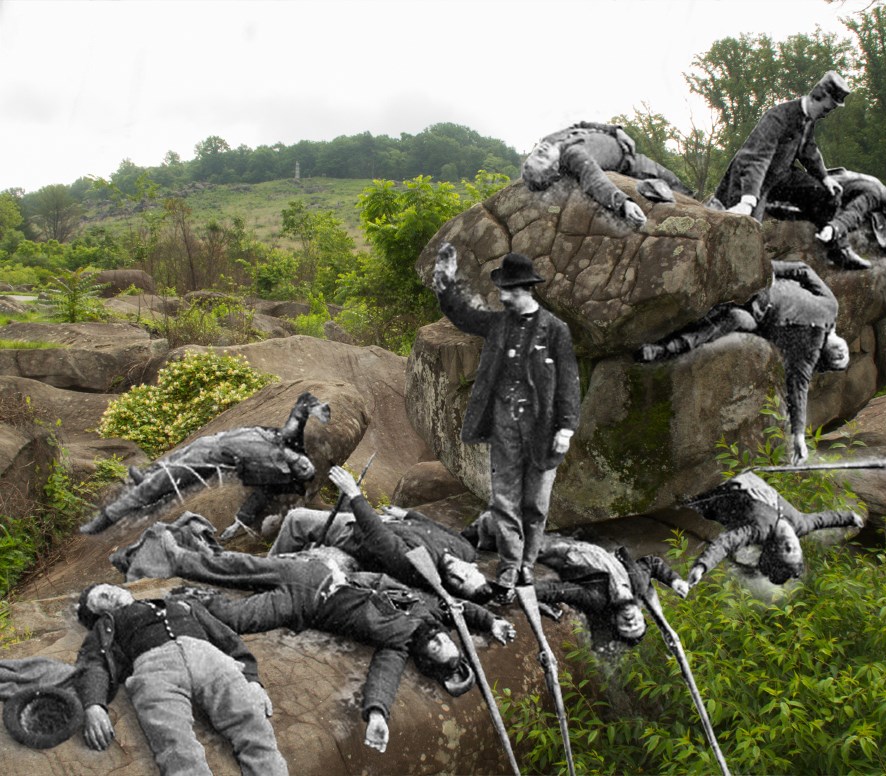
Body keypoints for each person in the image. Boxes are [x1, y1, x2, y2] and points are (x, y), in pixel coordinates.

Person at [123, 531, 515, 754]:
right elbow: (459, 608)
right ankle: (168, 551)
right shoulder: (428, 609)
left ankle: (188, 600)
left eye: (434, 651)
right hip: (316, 576)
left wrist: (377, 714)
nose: (438, 642)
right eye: (445, 642)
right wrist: (493, 620)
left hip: (303, 604)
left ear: (424, 657)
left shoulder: (398, 645)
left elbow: (384, 679)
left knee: (236, 618)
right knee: (237, 567)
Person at [434, 243, 581, 600]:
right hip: (503, 425)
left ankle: (529, 563)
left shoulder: (555, 330)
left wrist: (566, 428)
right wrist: (446, 282)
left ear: (526, 290)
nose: (502, 297)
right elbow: (464, 315)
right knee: (505, 499)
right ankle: (510, 564)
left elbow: (568, 380)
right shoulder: (497, 324)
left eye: (508, 291)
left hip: (543, 429)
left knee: (536, 503)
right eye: (501, 290)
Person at [635, 260, 849, 464]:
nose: (840, 355)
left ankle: (665, 349)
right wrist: (769, 270)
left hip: (752, 315)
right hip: (759, 284)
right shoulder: (831, 306)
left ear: (824, 360)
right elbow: (803, 270)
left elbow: (799, 390)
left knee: (733, 318)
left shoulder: (806, 354)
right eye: (844, 355)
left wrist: (798, 437)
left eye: (837, 362)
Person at [74, 583, 287, 776]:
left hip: (209, 658)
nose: (110, 592)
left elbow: (225, 637)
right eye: (102, 596)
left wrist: (252, 679)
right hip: (154, 670)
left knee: (253, 725)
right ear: (98, 614)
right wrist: (94, 704)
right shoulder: (108, 624)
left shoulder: (180, 604)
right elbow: (92, 661)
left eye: (109, 587)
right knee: (175, 747)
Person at [80, 392, 330, 536]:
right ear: (303, 455)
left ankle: (106, 518)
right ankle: (146, 475)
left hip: (206, 462)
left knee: (156, 487)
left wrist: (239, 524)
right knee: (171, 460)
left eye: (302, 470)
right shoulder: (289, 437)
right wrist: (316, 408)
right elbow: (302, 404)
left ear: (294, 472)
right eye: (306, 464)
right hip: (211, 442)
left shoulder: (276, 475)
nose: (304, 465)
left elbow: (259, 498)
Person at [463, 510, 687, 651]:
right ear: (640, 614)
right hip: (596, 544)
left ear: (616, 621)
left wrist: (529, 595)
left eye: (626, 627)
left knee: (513, 536)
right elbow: (652, 563)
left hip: (568, 553)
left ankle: (473, 536)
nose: (631, 621)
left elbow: (559, 590)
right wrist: (675, 581)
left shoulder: (596, 599)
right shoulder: (637, 587)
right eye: (637, 623)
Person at [266, 466, 493, 601]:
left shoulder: (420, 567)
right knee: (344, 504)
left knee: (297, 519)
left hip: (358, 535)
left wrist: (355, 494)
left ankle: (266, 573)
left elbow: (378, 537)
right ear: (475, 568)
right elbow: (436, 528)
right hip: (388, 522)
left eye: (458, 583)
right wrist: (407, 516)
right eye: (468, 575)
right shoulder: (466, 550)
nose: (459, 574)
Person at [713, 71, 852, 245]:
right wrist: (747, 202)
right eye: (826, 109)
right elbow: (758, 160)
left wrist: (824, 178)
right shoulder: (778, 117)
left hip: (779, 176)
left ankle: (828, 240)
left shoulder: (808, 119)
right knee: (746, 233)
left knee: (823, 193)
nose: (826, 114)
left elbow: (808, 150)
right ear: (819, 95)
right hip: (749, 179)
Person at [684, 472, 864, 587]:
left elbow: (726, 542)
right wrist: (850, 518)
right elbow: (824, 520)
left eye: (785, 548)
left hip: (712, 492)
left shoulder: (758, 530)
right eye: (795, 549)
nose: (790, 541)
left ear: (772, 548)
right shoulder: (800, 525)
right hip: (743, 474)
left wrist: (702, 566)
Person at [522, 121, 694, 227]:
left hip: (623, 143)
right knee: (673, 184)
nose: (541, 149)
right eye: (542, 158)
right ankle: (700, 210)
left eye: (535, 153)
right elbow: (594, 180)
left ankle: (701, 205)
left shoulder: (549, 139)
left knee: (676, 183)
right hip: (630, 162)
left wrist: (615, 130)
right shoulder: (573, 155)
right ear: (555, 168)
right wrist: (622, 203)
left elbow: (581, 125)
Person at [814, 168, 886, 277]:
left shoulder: (874, 197)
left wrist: (835, 227)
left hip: (815, 189)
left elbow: (855, 212)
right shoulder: (879, 188)